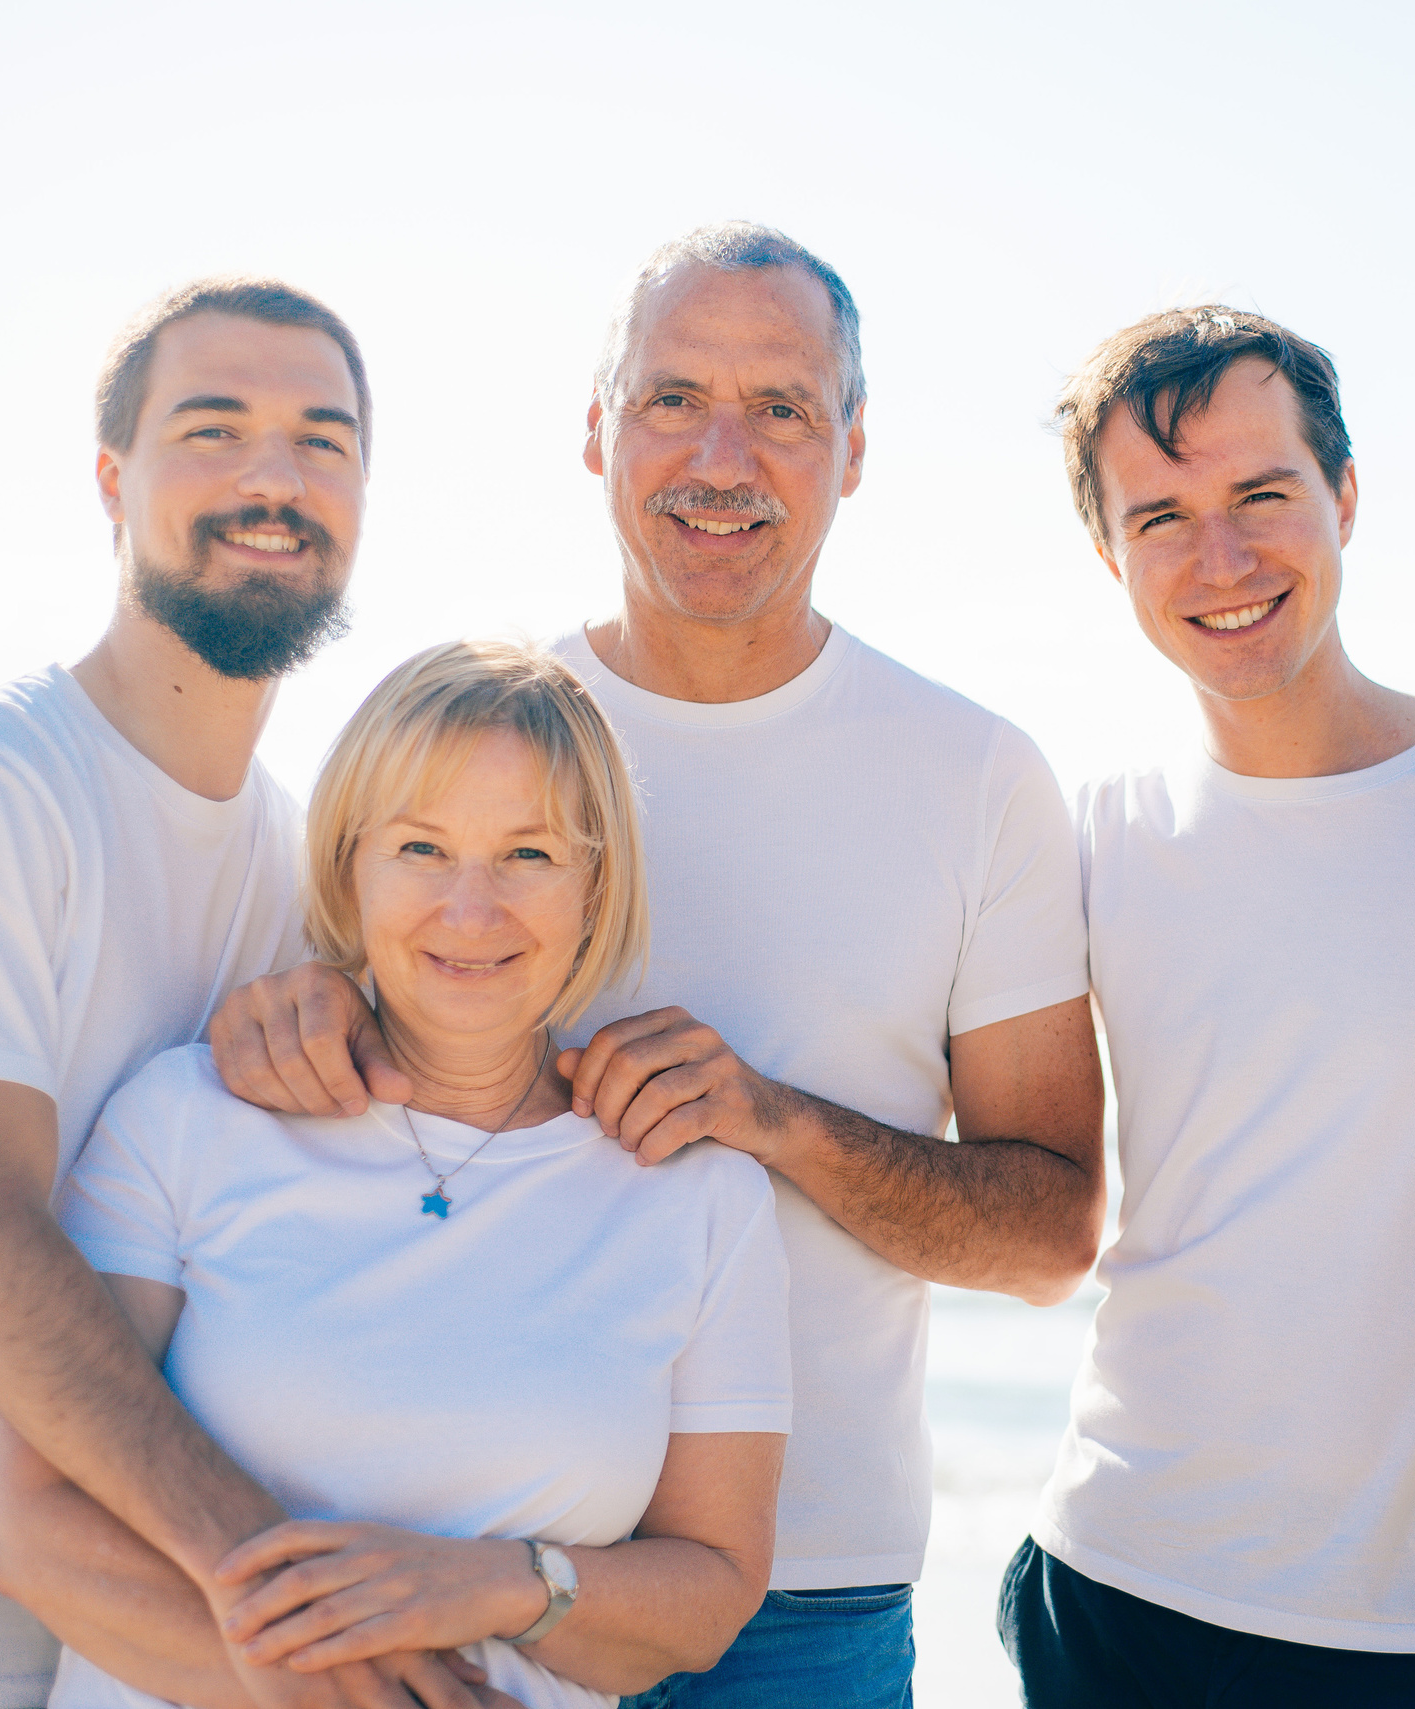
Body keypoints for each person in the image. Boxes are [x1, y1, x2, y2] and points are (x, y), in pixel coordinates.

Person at [206, 223, 1104, 1709]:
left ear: (856, 451)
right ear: (596, 431)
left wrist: (780, 1124)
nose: (720, 457)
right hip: (452, 1565)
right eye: (673, 398)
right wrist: (282, 1010)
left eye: (782, 409)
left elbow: (1049, 1234)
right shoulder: (469, 739)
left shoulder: (978, 775)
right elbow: (310, 1062)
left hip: (803, 1605)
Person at [0, 278, 492, 1709]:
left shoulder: (300, 873)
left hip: (119, 1660)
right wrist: (297, 1604)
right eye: (215, 429)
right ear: (110, 480)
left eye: (322, 441)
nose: (274, 478)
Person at [0, 638, 792, 1709]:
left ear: (598, 887)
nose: (470, 907)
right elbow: (38, 1536)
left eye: (530, 854)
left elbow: (709, 1594)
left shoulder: (700, 1197)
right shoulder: (186, 1118)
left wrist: (501, 1582)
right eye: (419, 846)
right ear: (346, 867)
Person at [996, 308, 1415, 1706]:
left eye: (1262, 495)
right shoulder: (1086, 840)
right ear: (1109, 553)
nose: (1223, 557)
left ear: (1347, 498)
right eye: (1162, 516)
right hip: (1128, 1591)